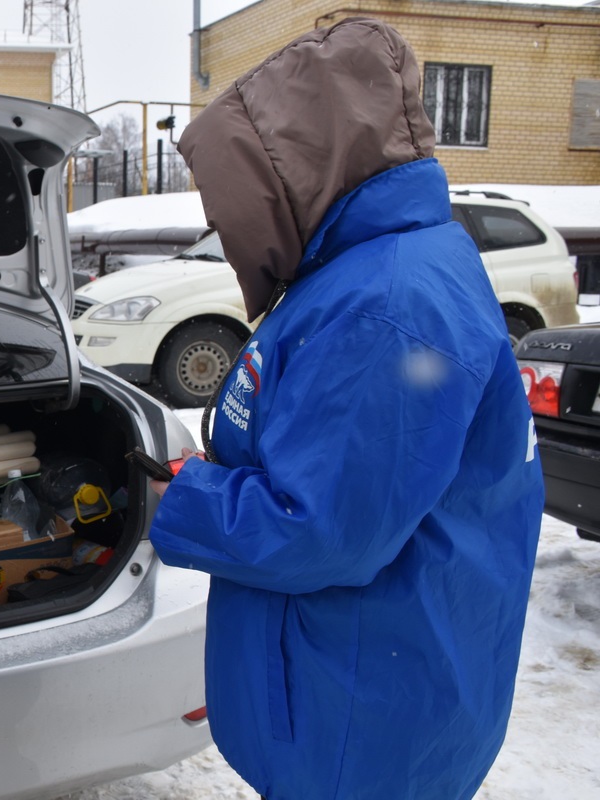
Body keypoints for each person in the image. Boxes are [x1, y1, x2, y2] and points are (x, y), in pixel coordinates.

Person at [149, 18, 542, 800]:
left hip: (361, 721)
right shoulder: (376, 269)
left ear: (291, 173)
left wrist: (180, 499)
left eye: (232, 198)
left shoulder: (386, 304)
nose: (227, 227)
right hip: (378, 689)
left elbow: (322, 531)